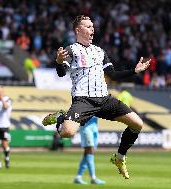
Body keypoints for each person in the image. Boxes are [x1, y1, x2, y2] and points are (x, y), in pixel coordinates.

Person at [43, 15, 151, 179]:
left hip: (104, 99)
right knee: (67, 133)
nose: (92, 30)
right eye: (88, 27)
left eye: (92, 27)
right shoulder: (71, 50)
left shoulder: (100, 52)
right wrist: (58, 61)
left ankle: (119, 158)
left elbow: (112, 75)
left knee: (137, 123)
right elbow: (61, 73)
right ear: (78, 30)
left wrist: (134, 71)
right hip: (83, 100)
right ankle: (60, 117)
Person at [74, 116, 105, 185]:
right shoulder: (82, 105)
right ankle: (93, 178)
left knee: (88, 153)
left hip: (94, 126)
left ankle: (78, 177)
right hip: (86, 127)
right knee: (90, 151)